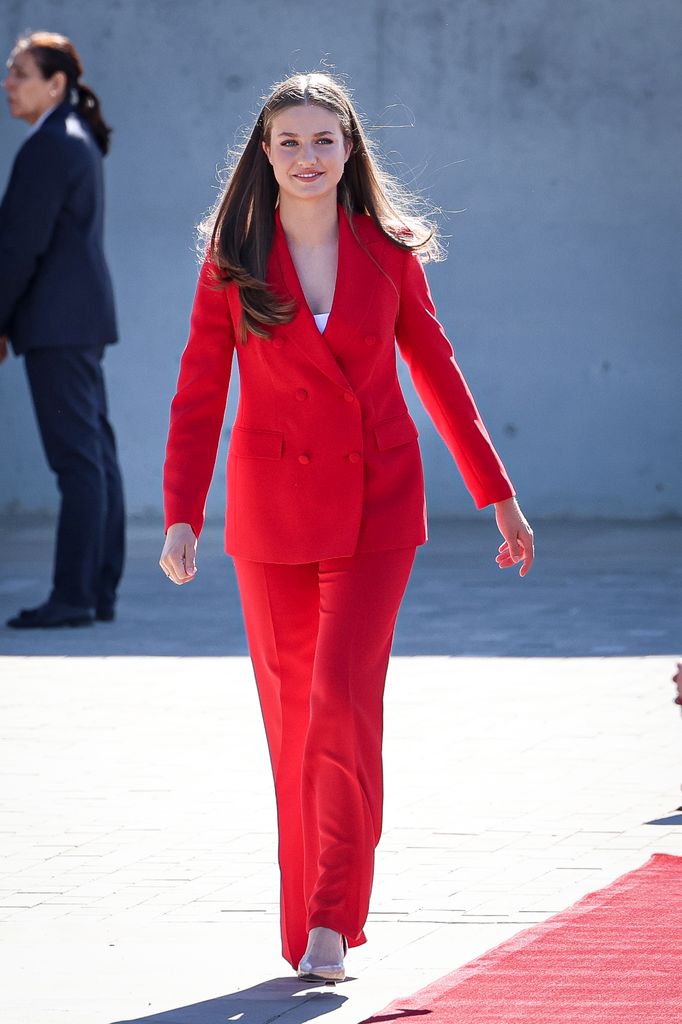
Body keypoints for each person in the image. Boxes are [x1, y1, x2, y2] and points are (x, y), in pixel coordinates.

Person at [160, 72, 534, 982]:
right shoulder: (233, 254)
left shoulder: (388, 252)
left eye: (324, 140)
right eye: (288, 142)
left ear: (351, 148)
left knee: (340, 708)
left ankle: (332, 918)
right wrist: (182, 513)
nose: (307, 157)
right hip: (272, 514)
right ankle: (308, 916)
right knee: (292, 723)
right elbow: (199, 392)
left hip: (375, 510)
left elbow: (440, 378)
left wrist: (499, 494)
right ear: (264, 153)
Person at [1, 32, 124, 629]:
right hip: (77, 322)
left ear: (57, 84)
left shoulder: (50, 145)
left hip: (57, 325)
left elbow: (18, 248)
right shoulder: (73, 140)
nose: (8, 84)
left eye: (19, 73)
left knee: (79, 461)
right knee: (94, 456)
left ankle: (75, 596)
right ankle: (95, 591)